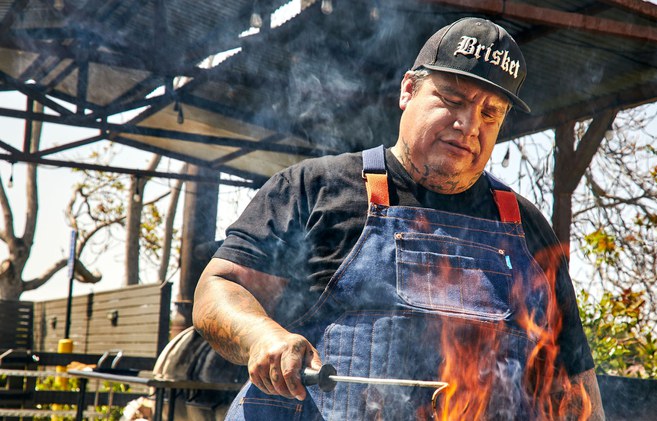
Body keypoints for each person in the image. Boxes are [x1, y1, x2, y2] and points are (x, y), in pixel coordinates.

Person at [194, 17, 605, 420]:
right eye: (453, 99)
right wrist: (262, 336)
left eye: (490, 113)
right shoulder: (316, 188)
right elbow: (220, 288)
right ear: (409, 89)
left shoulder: (527, 229)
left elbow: (575, 388)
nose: (468, 125)